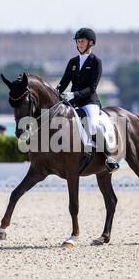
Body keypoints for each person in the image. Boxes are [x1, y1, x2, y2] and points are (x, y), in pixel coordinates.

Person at [56, 28, 119, 173]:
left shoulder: (96, 62)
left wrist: (73, 94)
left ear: (91, 43)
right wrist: (55, 93)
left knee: (92, 124)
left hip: (89, 103)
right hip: (73, 103)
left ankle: (108, 157)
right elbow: (63, 83)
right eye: (78, 41)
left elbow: (92, 88)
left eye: (82, 41)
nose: (79, 44)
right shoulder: (72, 62)